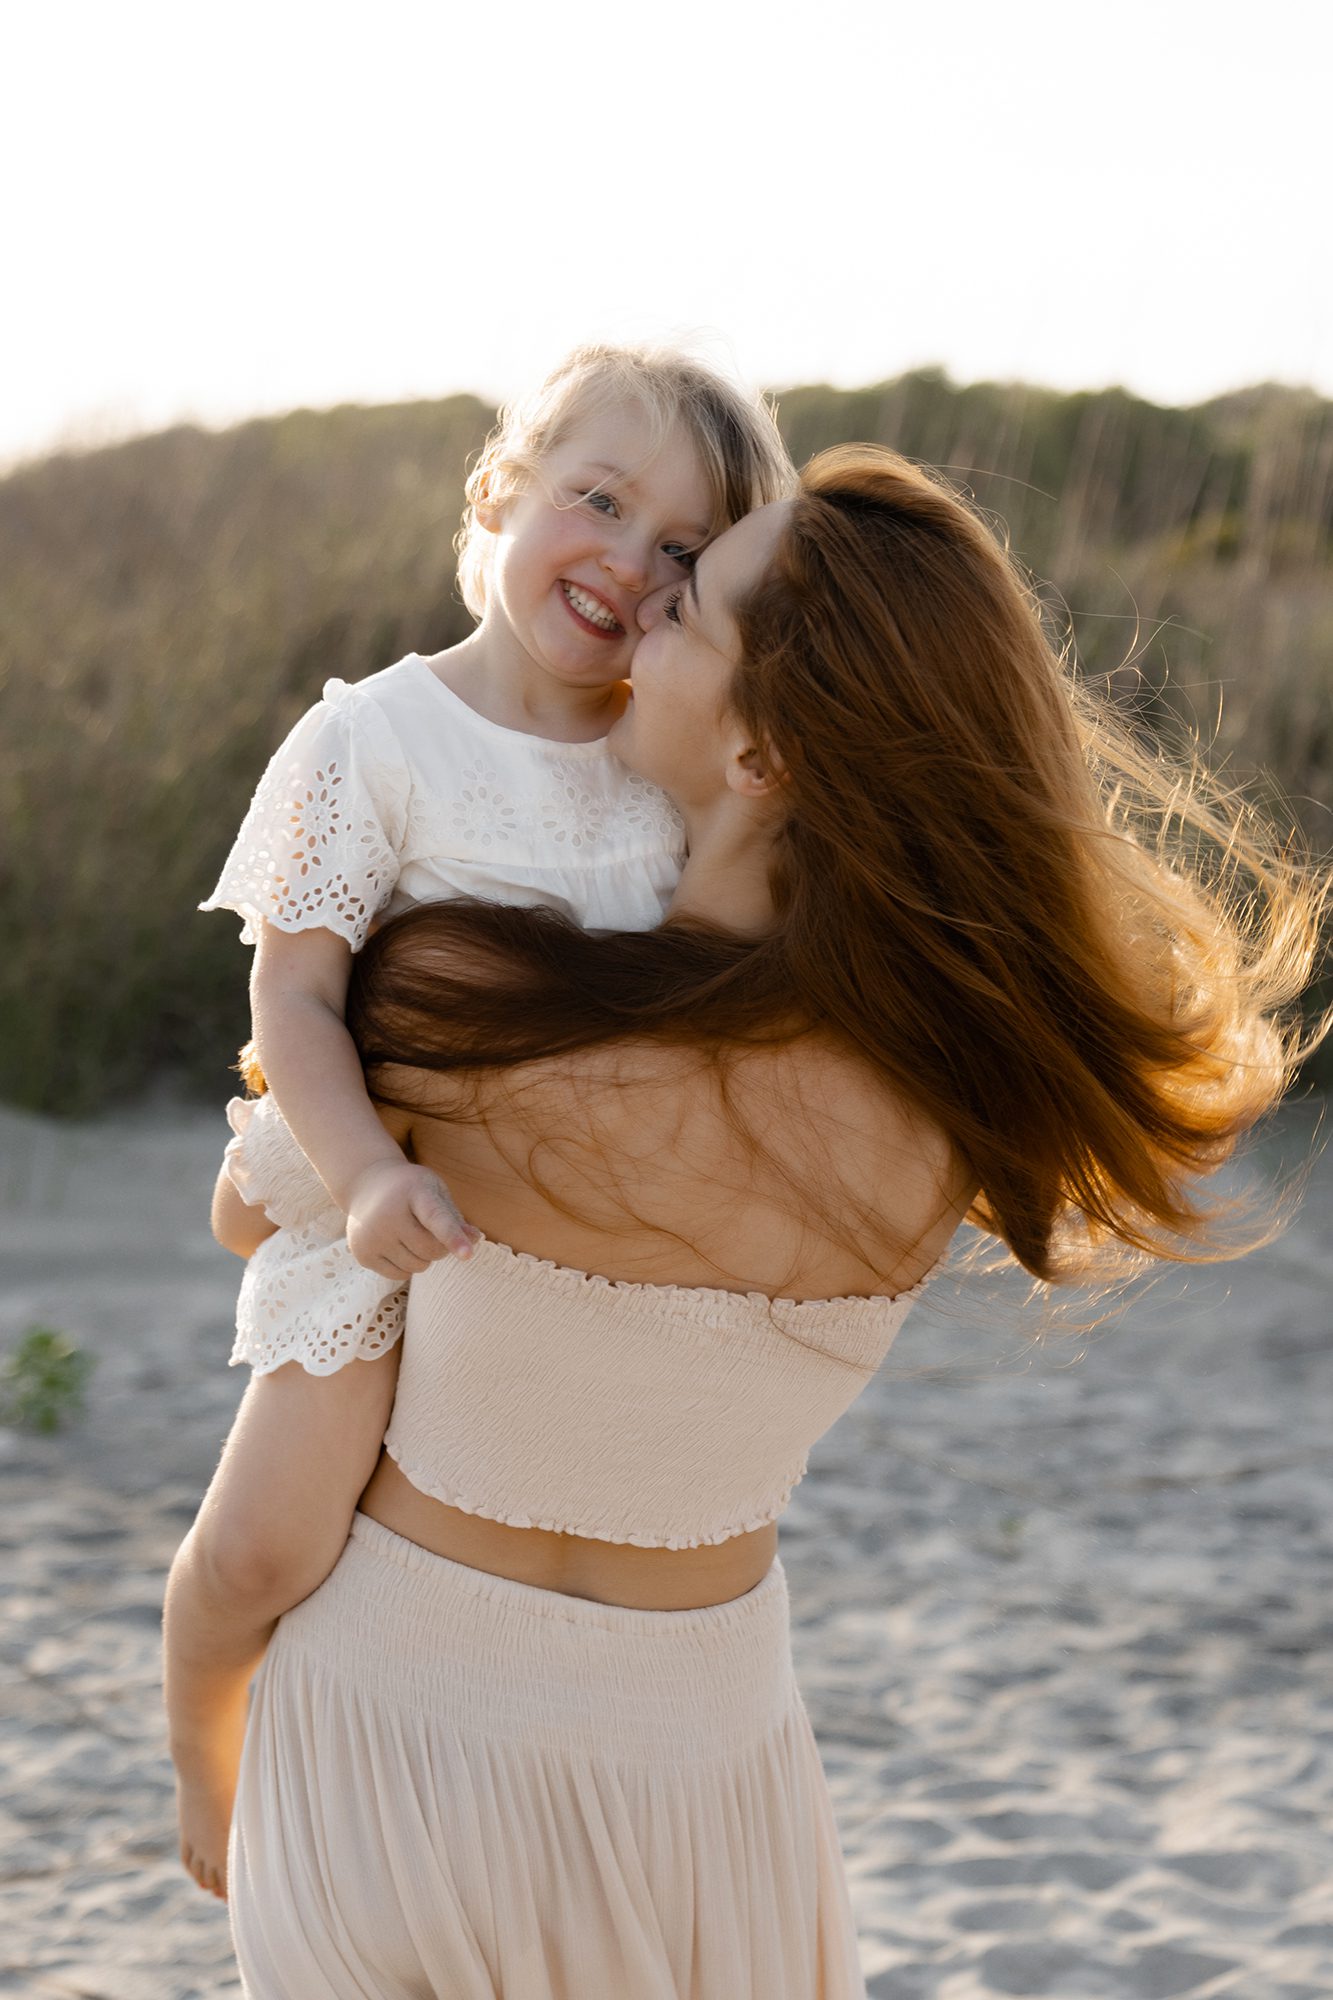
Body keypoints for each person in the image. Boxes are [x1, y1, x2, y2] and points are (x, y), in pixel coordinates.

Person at [164, 446, 1324, 1999]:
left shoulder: (466, 1004)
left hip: (395, 1740)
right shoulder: (953, 1114)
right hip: (711, 1775)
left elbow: (252, 1213)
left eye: (685, 605)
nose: (636, 620)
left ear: (765, 751)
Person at [197, 340, 795, 1373]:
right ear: (497, 492)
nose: (628, 561)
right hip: (394, 1211)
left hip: (577, 1243)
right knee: (269, 1532)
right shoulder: (374, 735)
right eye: (599, 502)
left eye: (683, 552)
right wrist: (363, 1176)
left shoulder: (668, 759)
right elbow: (292, 993)